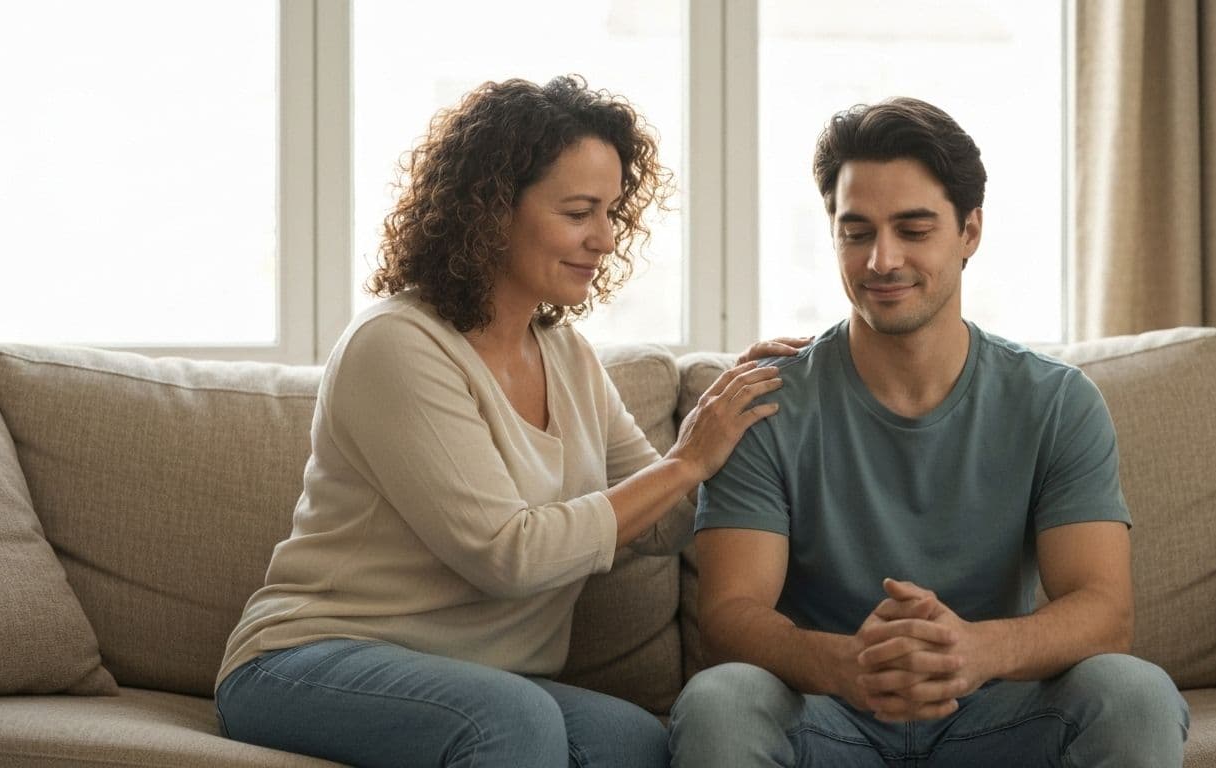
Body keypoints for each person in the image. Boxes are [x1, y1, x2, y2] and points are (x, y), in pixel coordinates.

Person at [214, 75, 803, 768]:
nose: (607, 239)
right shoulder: (399, 346)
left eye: (613, 212)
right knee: (511, 721)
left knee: (634, 744)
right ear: (491, 212)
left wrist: (753, 418)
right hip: (309, 662)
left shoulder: (567, 355)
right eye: (580, 211)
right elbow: (507, 556)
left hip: (487, 683)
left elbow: (666, 523)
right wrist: (686, 462)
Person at [668, 97, 1190, 767]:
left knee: (1134, 691)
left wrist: (976, 652)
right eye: (856, 232)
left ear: (970, 231)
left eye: (913, 229)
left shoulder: (1057, 402)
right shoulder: (766, 400)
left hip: (993, 713)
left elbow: (1104, 610)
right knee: (720, 700)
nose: (882, 260)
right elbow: (730, 614)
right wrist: (849, 664)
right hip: (826, 714)